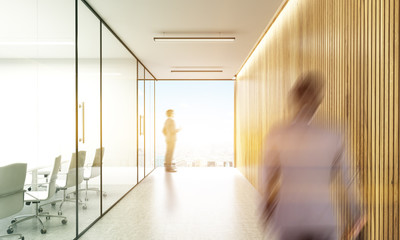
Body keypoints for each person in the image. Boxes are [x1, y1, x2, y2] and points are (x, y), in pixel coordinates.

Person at [260, 72, 366, 240]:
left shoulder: (278, 134)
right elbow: (348, 178)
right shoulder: (334, 133)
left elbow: (267, 177)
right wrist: (356, 214)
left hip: (289, 219)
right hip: (323, 218)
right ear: (318, 99)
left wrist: (265, 207)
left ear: (294, 98)